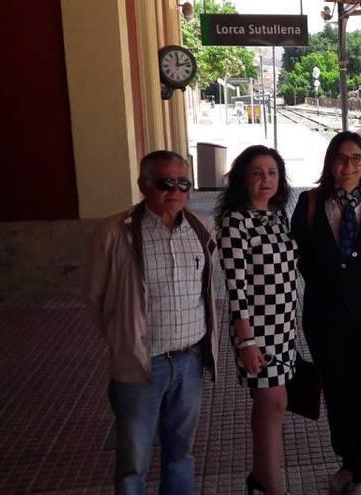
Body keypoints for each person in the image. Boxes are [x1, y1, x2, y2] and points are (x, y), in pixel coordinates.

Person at [83, 150, 219, 494]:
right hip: (142, 366)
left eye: (183, 183)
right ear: (144, 185)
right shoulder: (114, 232)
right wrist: (125, 341)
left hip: (189, 362)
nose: (176, 190)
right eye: (165, 182)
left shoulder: (201, 229)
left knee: (181, 454)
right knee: (133, 462)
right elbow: (96, 299)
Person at [291, 132, 361, 495]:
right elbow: (300, 254)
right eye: (341, 158)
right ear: (330, 163)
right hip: (324, 316)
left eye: (356, 158)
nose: (349, 166)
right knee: (337, 392)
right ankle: (348, 462)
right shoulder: (308, 202)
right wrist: (333, 282)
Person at [217, 145, 298, 495]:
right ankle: (271, 486)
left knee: (274, 403)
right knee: (271, 401)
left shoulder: (278, 215)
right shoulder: (235, 221)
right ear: (243, 179)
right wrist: (246, 341)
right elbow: (236, 286)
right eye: (257, 173)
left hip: (283, 325)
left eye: (272, 173)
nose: (266, 180)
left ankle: (261, 476)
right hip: (256, 328)